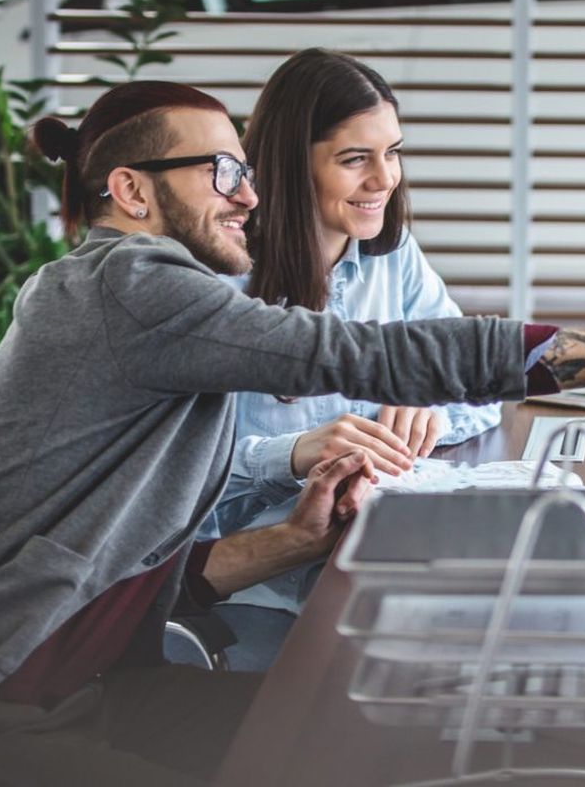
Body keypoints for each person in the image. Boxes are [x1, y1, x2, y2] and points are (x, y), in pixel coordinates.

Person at [0, 80, 585, 786]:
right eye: (219, 171)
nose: (249, 193)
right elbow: (380, 354)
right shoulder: (130, 286)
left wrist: (291, 538)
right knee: (350, 753)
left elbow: (135, 575)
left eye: (243, 168)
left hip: (82, 685)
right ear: (131, 190)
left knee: (381, 738)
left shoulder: (144, 300)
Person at [201, 49, 500, 670]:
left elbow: (479, 377)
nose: (385, 178)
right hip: (256, 586)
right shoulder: (219, 280)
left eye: (391, 152)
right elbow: (176, 470)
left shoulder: (392, 257)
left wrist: (430, 407)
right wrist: (294, 453)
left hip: (365, 556)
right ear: (289, 166)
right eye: (354, 159)